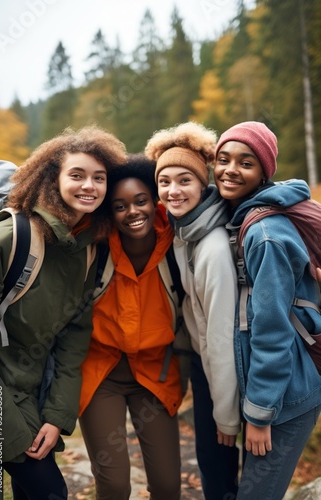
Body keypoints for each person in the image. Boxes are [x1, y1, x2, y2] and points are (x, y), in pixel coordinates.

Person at [0, 126, 127, 500]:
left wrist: (55, 416)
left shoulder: (87, 250)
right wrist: (7, 421)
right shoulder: (8, 240)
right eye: (77, 175)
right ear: (53, 179)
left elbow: (72, 341)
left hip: (33, 391)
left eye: (99, 178)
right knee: (50, 492)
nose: (90, 186)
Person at [213, 121, 321, 500]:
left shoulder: (265, 235)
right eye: (223, 159)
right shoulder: (250, 216)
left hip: (286, 396)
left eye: (246, 163)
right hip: (278, 390)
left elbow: (272, 331)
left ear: (263, 173)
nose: (230, 169)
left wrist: (260, 413)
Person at [79, 154, 184, 500]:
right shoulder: (97, 247)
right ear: (110, 212)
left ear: (154, 201)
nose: (133, 212)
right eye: (120, 206)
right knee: (114, 486)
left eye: (141, 201)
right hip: (101, 374)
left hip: (154, 374)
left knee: (168, 486)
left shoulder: (178, 245)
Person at [145, 121, 241, 500]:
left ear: (204, 184)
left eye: (184, 180)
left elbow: (220, 336)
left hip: (223, 374)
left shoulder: (212, 247)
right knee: (212, 471)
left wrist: (226, 415)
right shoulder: (187, 229)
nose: (172, 190)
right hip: (209, 369)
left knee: (218, 476)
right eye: (164, 181)